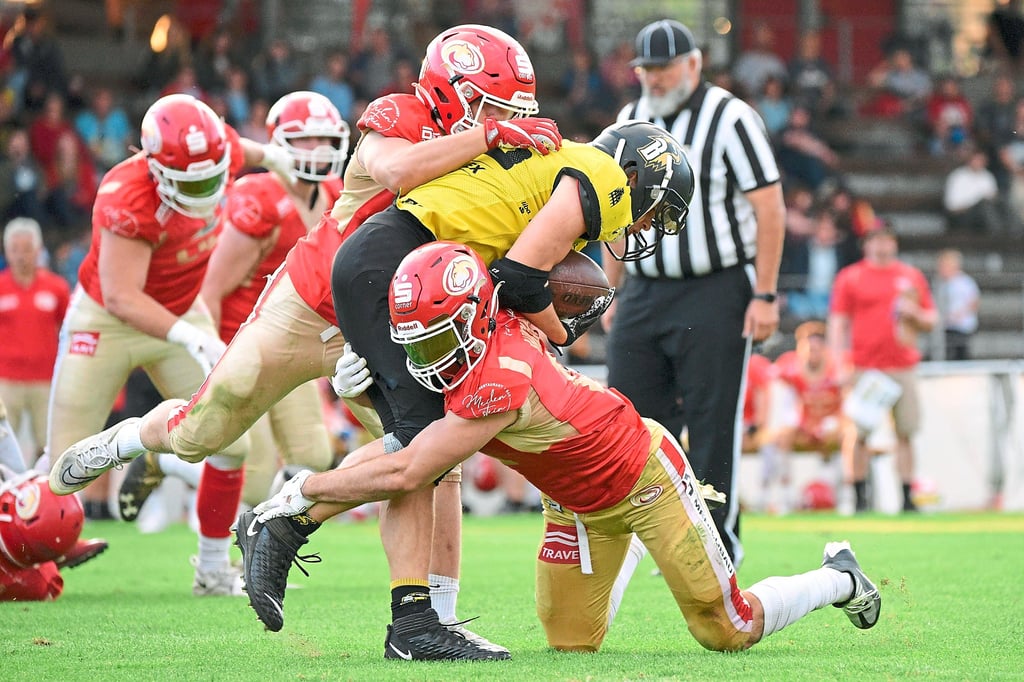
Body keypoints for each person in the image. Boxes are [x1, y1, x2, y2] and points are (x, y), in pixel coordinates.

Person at [47, 24, 562, 656]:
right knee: (205, 430)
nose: (507, 118)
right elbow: (397, 171)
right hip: (309, 300)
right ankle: (127, 442)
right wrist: (485, 134)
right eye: (493, 105)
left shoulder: (505, 155)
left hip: (392, 323)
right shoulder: (399, 115)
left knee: (431, 459)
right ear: (449, 92)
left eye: (512, 110)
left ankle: (430, 619)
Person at [239, 240, 882, 656]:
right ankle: (626, 550)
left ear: (473, 319)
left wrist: (299, 495)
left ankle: (838, 578)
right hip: (573, 503)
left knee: (727, 629)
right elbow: (408, 428)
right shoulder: (479, 330)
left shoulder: (499, 381)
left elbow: (409, 466)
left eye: (439, 338)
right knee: (571, 643)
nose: (428, 359)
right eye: (417, 342)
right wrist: (363, 385)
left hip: (642, 479)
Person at [43, 93, 296, 593]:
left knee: (231, 442)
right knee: (58, 464)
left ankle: (211, 567)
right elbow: (120, 296)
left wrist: (276, 159)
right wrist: (189, 334)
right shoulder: (124, 195)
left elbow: (243, 150)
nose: (205, 189)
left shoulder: (214, 148)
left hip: (182, 308)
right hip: (107, 320)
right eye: (191, 182)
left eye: (212, 176)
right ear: (153, 164)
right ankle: (25, 560)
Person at [117, 91, 350, 519]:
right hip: (246, 343)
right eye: (305, 140)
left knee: (314, 454)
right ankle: (163, 460)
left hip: (296, 342)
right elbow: (211, 288)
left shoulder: (337, 191)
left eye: (325, 140)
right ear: (280, 143)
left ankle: (259, 535)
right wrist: (212, 352)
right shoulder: (258, 196)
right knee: (254, 476)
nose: (318, 150)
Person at [605, 19, 786, 566]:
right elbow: (616, 213)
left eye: (663, 69)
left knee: (712, 422)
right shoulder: (628, 120)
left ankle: (717, 550)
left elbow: (769, 208)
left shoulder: (730, 118)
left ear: (694, 64)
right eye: (646, 70)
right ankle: (643, 543)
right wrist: (610, 292)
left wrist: (767, 295)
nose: (654, 80)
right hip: (645, 288)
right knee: (632, 420)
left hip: (718, 288)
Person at [827, 225, 937, 513]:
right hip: (866, 366)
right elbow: (838, 322)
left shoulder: (910, 277)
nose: (882, 246)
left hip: (902, 365)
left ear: (894, 244)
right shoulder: (851, 277)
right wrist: (839, 362)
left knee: (906, 432)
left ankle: (907, 496)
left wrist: (915, 314)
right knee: (859, 433)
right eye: (876, 240)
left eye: (887, 240)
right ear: (867, 245)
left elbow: (931, 318)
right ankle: (859, 495)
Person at [0, 218, 69, 466]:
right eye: (15, 249)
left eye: (27, 249)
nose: (21, 256)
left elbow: (69, 329)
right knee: (4, 443)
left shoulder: (56, 287)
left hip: (45, 379)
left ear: (38, 251)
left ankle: (40, 497)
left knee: (49, 445)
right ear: (6, 251)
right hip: (6, 380)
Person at [763, 321, 845, 514]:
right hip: (804, 428)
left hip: (830, 429)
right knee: (781, 437)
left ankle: (846, 497)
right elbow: (785, 403)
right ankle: (785, 496)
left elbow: (846, 406)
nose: (811, 353)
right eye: (807, 348)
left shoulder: (837, 369)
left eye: (816, 349)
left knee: (850, 437)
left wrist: (831, 424)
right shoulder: (790, 369)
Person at [935, 249, 980, 361]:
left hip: (961, 327)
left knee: (959, 354)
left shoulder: (965, 282)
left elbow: (974, 301)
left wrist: (960, 314)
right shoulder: (941, 284)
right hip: (946, 326)